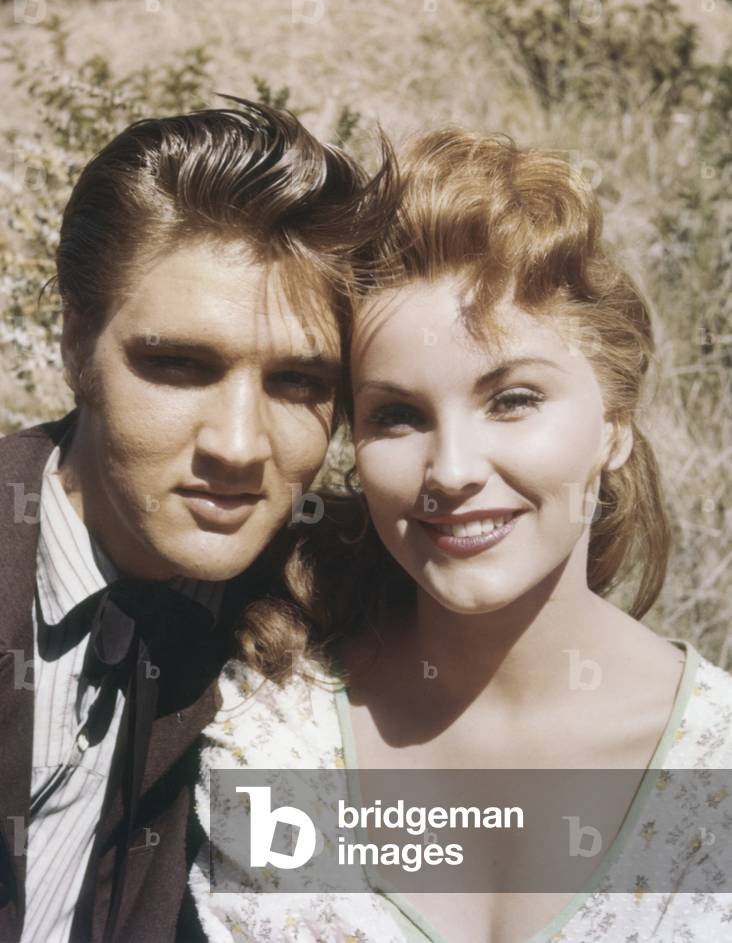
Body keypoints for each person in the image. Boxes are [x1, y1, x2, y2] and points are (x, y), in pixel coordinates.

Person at [191, 129, 732, 942]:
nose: (450, 468)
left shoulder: (713, 779)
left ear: (614, 426)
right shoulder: (270, 737)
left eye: (513, 399)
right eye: (397, 415)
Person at [0, 99, 394, 943]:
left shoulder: (314, 595)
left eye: (297, 383)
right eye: (178, 365)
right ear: (75, 343)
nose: (240, 447)